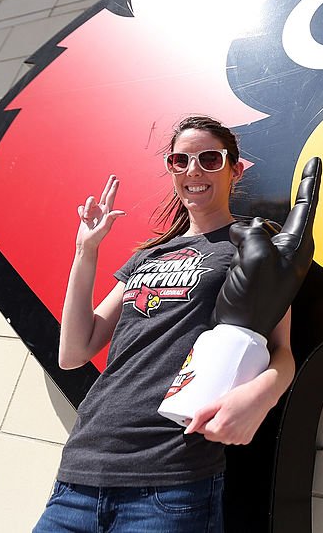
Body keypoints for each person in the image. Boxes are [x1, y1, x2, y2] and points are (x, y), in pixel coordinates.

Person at [34, 115, 301, 533]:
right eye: (181, 160)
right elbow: (73, 352)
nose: (193, 170)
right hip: (80, 475)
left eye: (209, 159)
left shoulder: (254, 245)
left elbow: (282, 352)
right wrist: (85, 251)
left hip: (171, 481)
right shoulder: (148, 256)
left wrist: (259, 398)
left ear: (235, 169)